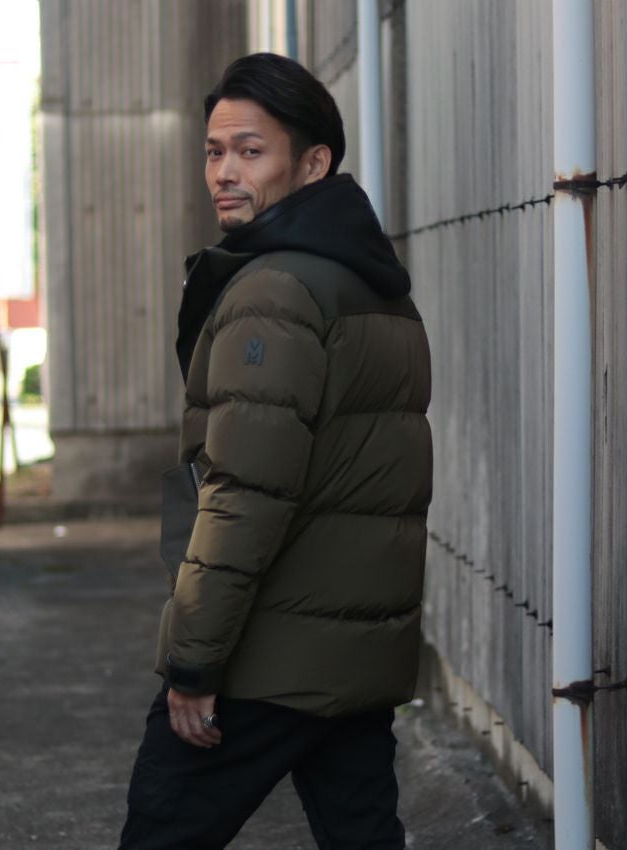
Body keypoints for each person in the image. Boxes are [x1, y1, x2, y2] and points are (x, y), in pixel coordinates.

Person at [119, 52, 432, 850]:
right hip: (353, 655)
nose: (224, 173)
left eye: (250, 151)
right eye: (214, 151)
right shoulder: (374, 286)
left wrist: (193, 663)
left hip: (268, 659)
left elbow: (244, 495)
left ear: (313, 163)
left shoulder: (274, 292)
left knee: (162, 830)